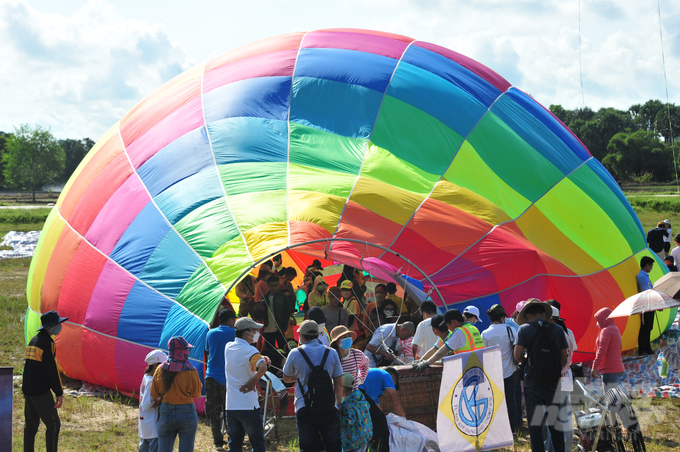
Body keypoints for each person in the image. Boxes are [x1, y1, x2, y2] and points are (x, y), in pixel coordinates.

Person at [513, 300, 568, 452]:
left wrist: (528, 364)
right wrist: (554, 370)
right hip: (552, 382)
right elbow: (564, 357)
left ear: (528, 315)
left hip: (532, 384)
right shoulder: (557, 329)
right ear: (544, 314)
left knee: (535, 424)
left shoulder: (524, 329)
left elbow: (517, 355)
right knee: (555, 423)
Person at [283, 320, 344, 452]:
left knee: (308, 447)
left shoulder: (295, 353)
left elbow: (286, 378)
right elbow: (339, 382)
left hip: (304, 406)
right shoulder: (331, 353)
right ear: (317, 335)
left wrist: (299, 376)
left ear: (302, 336)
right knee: (333, 446)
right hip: (328, 406)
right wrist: (337, 403)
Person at [23, 310, 69, 452]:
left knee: (30, 426)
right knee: (53, 424)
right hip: (40, 393)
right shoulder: (47, 343)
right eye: (57, 324)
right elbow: (52, 370)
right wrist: (59, 393)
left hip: (28, 391)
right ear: (49, 327)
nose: (59, 326)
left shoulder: (34, 340)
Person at [224, 317, 269, 452]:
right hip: (248, 405)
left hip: (231, 406)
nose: (257, 332)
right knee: (258, 444)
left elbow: (242, 361)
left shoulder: (228, 347)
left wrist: (260, 358)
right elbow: (263, 367)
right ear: (246, 333)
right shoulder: (251, 351)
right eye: (254, 330)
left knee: (235, 445)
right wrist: (253, 381)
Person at [151, 337, 202, 452]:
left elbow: (154, 393)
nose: (187, 352)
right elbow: (197, 394)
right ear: (181, 351)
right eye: (186, 349)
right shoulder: (191, 370)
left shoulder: (160, 369)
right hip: (187, 413)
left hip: (165, 412)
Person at [481, 304, 519, 433]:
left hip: (493, 373)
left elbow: (484, 355)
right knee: (511, 400)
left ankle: (498, 430)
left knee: (495, 402)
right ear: (503, 317)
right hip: (511, 371)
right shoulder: (512, 330)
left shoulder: (485, 334)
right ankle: (512, 428)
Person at [204, 309, 236, 451]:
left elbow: (207, 351)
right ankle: (232, 441)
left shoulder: (210, 333)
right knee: (230, 412)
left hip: (211, 376)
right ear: (230, 320)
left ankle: (217, 443)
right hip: (228, 378)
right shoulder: (234, 333)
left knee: (214, 412)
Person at [413, 309, 484, 371]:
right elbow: (434, 349)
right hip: (478, 366)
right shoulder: (473, 328)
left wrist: (426, 363)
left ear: (453, 322)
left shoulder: (459, 332)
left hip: (466, 369)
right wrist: (421, 360)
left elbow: (442, 352)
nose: (448, 328)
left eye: (447, 325)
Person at [359, 367, 406, 452]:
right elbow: (395, 402)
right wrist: (404, 421)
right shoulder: (386, 375)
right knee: (381, 424)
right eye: (394, 383)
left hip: (355, 392)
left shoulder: (374, 387)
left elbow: (377, 408)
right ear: (393, 376)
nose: (393, 386)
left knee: (377, 423)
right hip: (358, 390)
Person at [139, 350, 167, 452]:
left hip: (146, 421)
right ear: (156, 366)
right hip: (152, 423)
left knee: (144, 446)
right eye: (164, 365)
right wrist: (163, 400)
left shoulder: (146, 377)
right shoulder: (151, 381)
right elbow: (146, 404)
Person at [262, 275, 292, 369]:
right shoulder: (265, 297)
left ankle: (286, 368)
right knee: (270, 352)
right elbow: (258, 314)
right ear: (268, 285)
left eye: (275, 285)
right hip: (267, 328)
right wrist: (259, 308)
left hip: (279, 328)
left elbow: (287, 313)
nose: (274, 288)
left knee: (284, 350)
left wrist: (283, 327)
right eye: (271, 285)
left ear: (278, 285)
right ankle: (273, 369)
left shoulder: (283, 297)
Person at [592, 307, 624, 391]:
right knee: (613, 397)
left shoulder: (606, 331)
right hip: (618, 368)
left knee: (610, 400)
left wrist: (594, 367)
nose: (597, 323)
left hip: (610, 370)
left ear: (603, 318)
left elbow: (602, 351)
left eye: (598, 319)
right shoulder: (615, 329)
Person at [339, 372, 373, 452]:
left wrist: (338, 416)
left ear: (342, 387)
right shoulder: (360, 398)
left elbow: (349, 421)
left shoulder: (347, 404)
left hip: (353, 442)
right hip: (364, 437)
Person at [636, 256, 656, 355]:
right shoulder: (642, 277)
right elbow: (647, 292)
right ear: (647, 265)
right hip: (647, 305)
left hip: (649, 304)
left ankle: (646, 348)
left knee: (648, 327)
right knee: (646, 328)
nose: (651, 268)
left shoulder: (643, 276)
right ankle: (644, 348)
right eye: (651, 266)